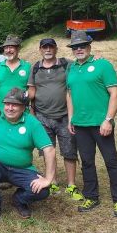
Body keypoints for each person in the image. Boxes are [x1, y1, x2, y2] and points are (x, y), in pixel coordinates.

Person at [66, 31, 117, 218]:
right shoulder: (72, 69)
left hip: (101, 124)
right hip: (81, 124)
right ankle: (91, 196)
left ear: (89, 46)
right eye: (75, 47)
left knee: (111, 161)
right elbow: (69, 95)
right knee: (87, 162)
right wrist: (71, 118)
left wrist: (108, 120)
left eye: (82, 46)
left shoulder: (103, 65)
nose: (79, 49)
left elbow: (115, 94)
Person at [0, 87, 56, 222]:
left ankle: (19, 199)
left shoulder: (32, 123)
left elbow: (49, 149)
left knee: (43, 191)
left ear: (24, 107)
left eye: (15, 105)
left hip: (22, 169)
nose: (10, 108)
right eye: (7, 104)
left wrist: (48, 178)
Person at [27, 38, 84, 200]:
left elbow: (83, 66)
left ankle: (71, 185)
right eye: (44, 47)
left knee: (69, 152)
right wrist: (25, 103)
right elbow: (32, 91)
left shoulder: (67, 64)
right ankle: (51, 181)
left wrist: (96, 59)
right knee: (47, 151)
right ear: (40, 50)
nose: (48, 50)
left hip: (65, 116)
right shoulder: (35, 68)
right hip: (42, 117)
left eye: (51, 47)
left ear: (56, 49)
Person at [0, 35, 31, 111]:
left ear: (18, 49)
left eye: (11, 47)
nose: (8, 50)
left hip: (21, 110)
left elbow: (31, 89)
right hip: (1, 110)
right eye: (6, 48)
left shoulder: (27, 67)